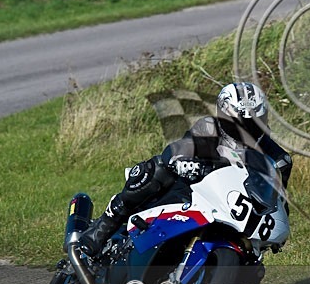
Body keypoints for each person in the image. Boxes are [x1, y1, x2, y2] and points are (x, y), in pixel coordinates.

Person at [78, 82, 293, 256]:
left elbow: (278, 200)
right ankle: (105, 225)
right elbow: (177, 151)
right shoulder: (209, 128)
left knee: (254, 263)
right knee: (157, 169)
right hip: (193, 189)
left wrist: (277, 227)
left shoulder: (278, 158)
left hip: (232, 209)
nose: (245, 130)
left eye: (253, 123)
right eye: (237, 123)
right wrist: (183, 162)